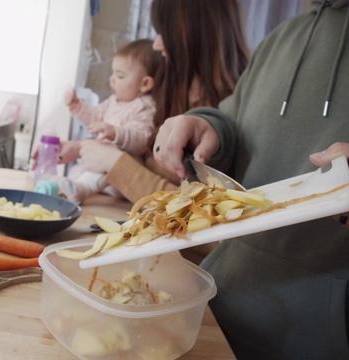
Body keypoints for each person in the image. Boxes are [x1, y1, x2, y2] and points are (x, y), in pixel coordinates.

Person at [152, 0, 349, 358]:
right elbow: (234, 121)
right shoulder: (281, 37)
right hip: (217, 308)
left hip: (335, 342)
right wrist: (207, 125)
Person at [42, 0, 249, 208]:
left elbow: (198, 209)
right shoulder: (169, 91)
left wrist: (114, 163)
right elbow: (138, 146)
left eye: (165, 32)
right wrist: (80, 148)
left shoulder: (229, 117)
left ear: (197, 35)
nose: (157, 44)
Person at [51, 39, 162, 203]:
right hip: (103, 175)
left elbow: (142, 139)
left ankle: (81, 189)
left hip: (123, 173)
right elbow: (95, 116)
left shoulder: (145, 106)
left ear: (145, 84)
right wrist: (76, 105)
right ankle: (70, 188)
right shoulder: (113, 101)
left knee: (100, 168)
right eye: (113, 74)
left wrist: (115, 132)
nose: (112, 80)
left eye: (120, 76)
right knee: (77, 169)